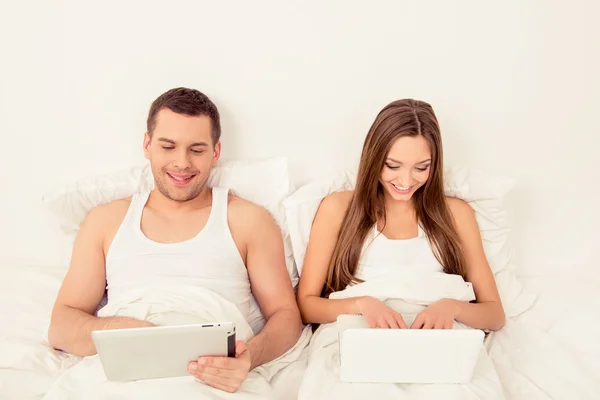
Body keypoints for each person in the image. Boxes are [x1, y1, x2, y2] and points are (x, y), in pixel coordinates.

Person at [48, 87, 303, 394]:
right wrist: (125, 331)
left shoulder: (249, 220)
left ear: (216, 152)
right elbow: (61, 326)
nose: (182, 163)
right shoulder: (106, 221)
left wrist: (248, 358)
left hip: (212, 378)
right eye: (168, 147)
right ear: (147, 145)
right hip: (125, 374)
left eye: (196, 150)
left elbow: (287, 317)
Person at [297, 98, 506, 332]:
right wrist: (361, 304)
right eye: (393, 166)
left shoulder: (456, 214)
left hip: (438, 338)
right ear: (373, 159)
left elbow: (495, 315)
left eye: (421, 168)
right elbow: (306, 306)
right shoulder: (337, 208)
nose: (406, 181)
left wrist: (452, 308)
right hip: (360, 330)